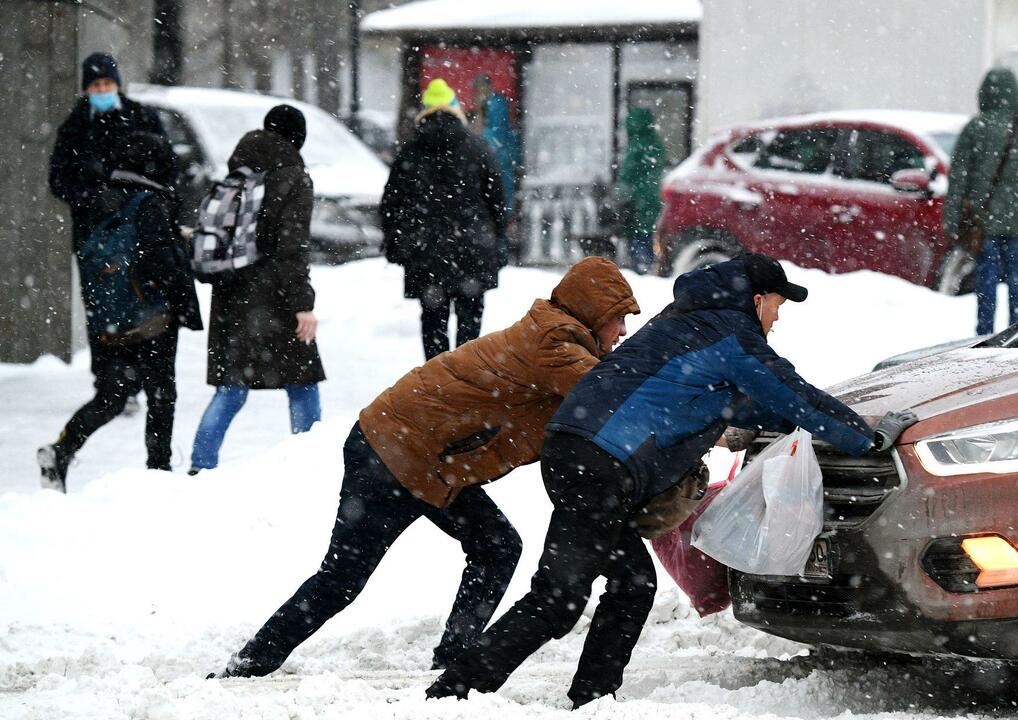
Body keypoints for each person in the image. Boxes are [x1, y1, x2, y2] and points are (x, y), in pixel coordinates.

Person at [427, 253, 918, 707]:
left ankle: (593, 699)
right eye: (777, 304)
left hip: (580, 454)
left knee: (633, 583)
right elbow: (794, 393)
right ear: (756, 300)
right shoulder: (732, 335)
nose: (778, 317)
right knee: (558, 596)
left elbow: (712, 394)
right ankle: (456, 689)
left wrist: (774, 423)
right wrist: (866, 438)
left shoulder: (684, 322)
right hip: (600, 466)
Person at [213, 257, 640, 678]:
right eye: (618, 318)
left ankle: (455, 657)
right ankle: (247, 666)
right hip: (394, 453)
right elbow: (618, 401)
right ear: (593, 311)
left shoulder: (557, 337)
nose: (622, 331)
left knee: (495, 547)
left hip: (425, 460)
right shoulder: (555, 346)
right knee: (341, 578)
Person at [38, 132, 202, 491]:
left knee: (111, 399)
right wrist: (184, 296)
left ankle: (62, 449)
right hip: (151, 320)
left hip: (109, 319)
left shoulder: (93, 200)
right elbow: (160, 262)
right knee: (161, 395)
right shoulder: (149, 203)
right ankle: (158, 473)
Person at [188, 105, 324, 473]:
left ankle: (201, 465)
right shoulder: (293, 177)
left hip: (233, 294)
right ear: (297, 137)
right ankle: (310, 459)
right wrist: (302, 303)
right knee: (303, 381)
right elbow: (291, 247)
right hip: (274, 295)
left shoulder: (238, 171)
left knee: (232, 388)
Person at [49, 53, 173, 422]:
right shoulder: (75, 127)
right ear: (87, 89)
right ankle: (109, 383)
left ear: (118, 84)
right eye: (95, 86)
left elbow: (164, 167)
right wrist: (91, 196)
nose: (102, 91)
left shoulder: (142, 118)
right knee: (102, 308)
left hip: (136, 230)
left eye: (107, 84)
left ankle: (134, 382)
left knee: (138, 301)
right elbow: (59, 179)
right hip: (94, 237)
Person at [382, 78, 507, 361]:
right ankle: (464, 384)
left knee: (433, 323)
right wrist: (497, 240)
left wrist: (397, 244)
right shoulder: (479, 149)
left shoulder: (411, 152)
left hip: (426, 254)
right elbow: (497, 202)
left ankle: (437, 388)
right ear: (456, 110)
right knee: (469, 326)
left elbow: (391, 204)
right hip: (473, 252)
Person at [943, 67, 1018, 336]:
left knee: (986, 278)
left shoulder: (976, 128)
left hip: (984, 221)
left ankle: (985, 332)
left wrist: (951, 217)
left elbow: (958, 178)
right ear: (1015, 93)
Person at [617, 108, 667, 274]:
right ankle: (652, 266)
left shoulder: (637, 145)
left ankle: (640, 269)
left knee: (639, 235)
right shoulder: (656, 143)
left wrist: (619, 194)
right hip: (655, 197)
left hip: (639, 200)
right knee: (651, 234)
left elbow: (627, 174)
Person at [472, 75, 521, 217]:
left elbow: (495, 136)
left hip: (499, 165)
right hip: (497, 165)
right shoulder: (487, 108)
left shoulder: (495, 105)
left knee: (501, 207)